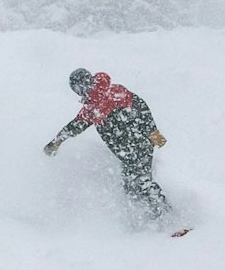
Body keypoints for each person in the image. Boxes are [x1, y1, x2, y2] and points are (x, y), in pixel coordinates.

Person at [44, 67, 173, 224]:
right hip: (126, 152)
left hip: (139, 144)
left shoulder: (112, 93)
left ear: (89, 80)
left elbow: (141, 107)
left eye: (83, 85)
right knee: (130, 187)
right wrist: (57, 141)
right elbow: (76, 124)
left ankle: (168, 218)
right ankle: (149, 219)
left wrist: (152, 130)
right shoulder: (92, 106)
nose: (82, 91)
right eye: (78, 90)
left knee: (142, 182)